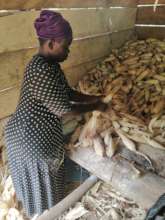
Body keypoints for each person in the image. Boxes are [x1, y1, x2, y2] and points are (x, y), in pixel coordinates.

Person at [4, 10, 106, 219]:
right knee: (42, 185)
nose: (68, 51)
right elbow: (65, 110)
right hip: (29, 139)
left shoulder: (50, 66)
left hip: (31, 133)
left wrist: (94, 99)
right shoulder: (41, 70)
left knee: (43, 181)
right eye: (65, 46)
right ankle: (49, 213)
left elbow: (67, 93)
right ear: (50, 43)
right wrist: (98, 108)